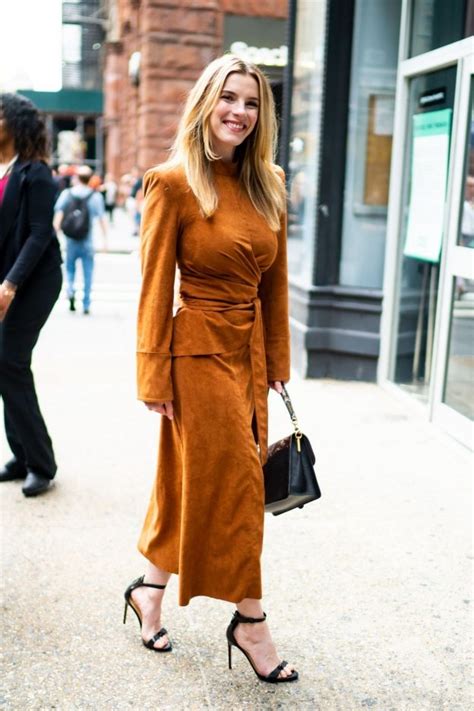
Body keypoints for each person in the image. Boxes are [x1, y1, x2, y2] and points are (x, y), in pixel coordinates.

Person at [123, 55, 298, 683]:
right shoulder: (172, 182)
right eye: (229, 98)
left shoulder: (270, 182)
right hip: (195, 355)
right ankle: (250, 622)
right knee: (240, 487)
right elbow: (152, 287)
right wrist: (153, 378)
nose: (240, 112)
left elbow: (275, 287)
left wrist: (277, 361)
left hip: (249, 358)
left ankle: (149, 589)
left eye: (252, 103)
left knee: (185, 479)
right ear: (205, 102)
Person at [0, 93, 62, 497]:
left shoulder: (35, 173)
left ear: (15, 124)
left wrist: (10, 285)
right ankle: (21, 456)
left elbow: (40, 234)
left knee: (11, 362)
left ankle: (41, 463)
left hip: (33, 282)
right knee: (3, 365)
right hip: (7, 280)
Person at [54, 165, 108, 314]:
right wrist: (105, 240)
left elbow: (58, 215)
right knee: (88, 273)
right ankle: (85, 304)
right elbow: (102, 219)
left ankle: (70, 291)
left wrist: (54, 235)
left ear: (77, 178)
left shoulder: (67, 194)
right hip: (87, 240)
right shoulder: (95, 196)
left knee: (70, 269)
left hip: (70, 240)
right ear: (90, 179)